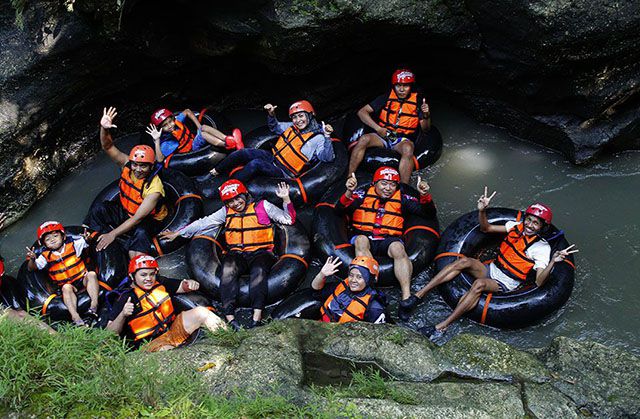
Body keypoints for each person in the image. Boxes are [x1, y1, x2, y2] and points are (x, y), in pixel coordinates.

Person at [403, 187, 579, 339]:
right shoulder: (515, 226)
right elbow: (486, 228)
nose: (530, 225)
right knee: (463, 262)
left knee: (479, 284)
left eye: (536, 223)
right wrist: (482, 210)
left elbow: (540, 281)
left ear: (542, 227)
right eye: (529, 220)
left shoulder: (541, 249)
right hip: (492, 267)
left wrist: (553, 262)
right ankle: (417, 296)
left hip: (507, 282)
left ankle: (442, 326)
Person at [160, 179, 296, 330]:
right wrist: (178, 233)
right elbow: (204, 222)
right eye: (230, 201)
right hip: (237, 253)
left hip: (261, 252)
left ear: (245, 194)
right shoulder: (225, 211)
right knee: (227, 270)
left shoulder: (263, 206)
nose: (236, 203)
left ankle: (256, 318)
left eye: (238, 198)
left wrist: (286, 199)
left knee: (259, 271)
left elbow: (288, 219)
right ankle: (230, 318)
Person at [335, 166, 435, 321]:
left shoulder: (402, 198)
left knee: (398, 248)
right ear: (375, 183)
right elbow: (339, 211)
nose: (388, 188)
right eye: (384, 183)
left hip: (387, 239)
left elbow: (427, 213)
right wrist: (349, 192)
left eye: (392, 184)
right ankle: (370, 294)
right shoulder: (361, 194)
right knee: (360, 241)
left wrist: (425, 195)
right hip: (365, 236)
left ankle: (406, 298)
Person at [84, 107, 169, 259]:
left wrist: (112, 234)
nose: (138, 169)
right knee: (99, 209)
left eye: (143, 165)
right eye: (135, 164)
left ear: (151, 166)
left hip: (150, 219)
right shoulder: (127, 165)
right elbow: (108, 146)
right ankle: (88, 239)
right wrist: (104, 129)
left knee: (141, 232)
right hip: (126, 209)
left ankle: (134, 265)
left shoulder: (154, 188)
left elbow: (138, 218)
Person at [106, 254, 226, 351]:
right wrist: (123, 314)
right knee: (171, 354)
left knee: (201, 313)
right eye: (143, 275)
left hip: (172, 330)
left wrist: (189, 284)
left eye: (152, 274)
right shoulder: (125, 298)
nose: (148, 279)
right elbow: (109, 334)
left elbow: (181, 286)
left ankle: (229, 338)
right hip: (151, 344)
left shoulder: (159, 282)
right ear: (132, 276)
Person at [210, 100, 335, 183]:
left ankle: (230, 184)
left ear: (310, 115)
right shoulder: (292, 126)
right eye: (295, 117)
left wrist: (328, 136)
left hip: (285, 172)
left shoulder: (318, 138)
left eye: (301, 116)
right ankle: (215, 171)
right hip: (273, 158)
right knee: (243, 153)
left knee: (256, 164)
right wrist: (271, 115)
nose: (298, 120)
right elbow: (274, 127)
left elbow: (328, 158)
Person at [348, 69, 431, 184]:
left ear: (411, 86)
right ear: (394, 86)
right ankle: (350, 177)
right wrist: (378, 129)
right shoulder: (386, 97)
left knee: (408, 149)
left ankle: (404, 187)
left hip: (401, 140)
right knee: (364, 139)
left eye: (405, 86)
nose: (401, 89)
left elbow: (426, 129)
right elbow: (362, 112)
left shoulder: (418, 101)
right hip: (383, 134)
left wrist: (426, 115)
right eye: (398, 85)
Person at [26, 221, 99, 326]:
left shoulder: (74, 245)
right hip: (67, 285)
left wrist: (88, 238)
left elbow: (87, 242)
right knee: (66, 288)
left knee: (91, 274)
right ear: (43, 244)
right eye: (47, 239)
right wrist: (32, 259)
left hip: (82, 279)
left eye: (55, 236)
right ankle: (75, 317)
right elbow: (32, 268)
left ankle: (94, 305)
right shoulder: (45, 256)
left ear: (63, 237)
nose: (52, 240)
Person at [0, 213, 55, 334]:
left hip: (3, 285)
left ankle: (58, 338)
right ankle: (60, 342)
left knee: (22, 312)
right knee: (17, 316)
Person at [145, 108, 244, 161]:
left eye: (170, 122)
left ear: (173, 119)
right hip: (191, 152)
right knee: (204, 134)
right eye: (165, 126)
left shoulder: (177, 122)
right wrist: (157, 140)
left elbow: (187, 111)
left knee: (203, 128)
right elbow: (160, 159)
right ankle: (227, 145)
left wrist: (198, 127)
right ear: (161, 129)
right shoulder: (168, 143)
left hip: (193, 141)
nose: (170, 126)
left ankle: (227, 139)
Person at [312, 256, 388, 324]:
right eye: (351, 275)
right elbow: (316, 288)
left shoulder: (374, 307)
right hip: (322, 326)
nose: (353, 280)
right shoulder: (343, 287)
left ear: (369, 280)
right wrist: (322, 274)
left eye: (359, 277)